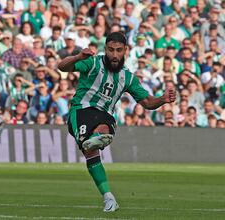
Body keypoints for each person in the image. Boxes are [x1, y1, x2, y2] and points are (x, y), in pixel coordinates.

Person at [58, 32, 176, 212]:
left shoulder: (128, 77)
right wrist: (78, 56)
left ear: (125, 51)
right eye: (111, 50)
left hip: (105, 114)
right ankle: (107, 193)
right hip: (81, 110)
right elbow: (62, 67)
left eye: (119, 50)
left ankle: (99, 142)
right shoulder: (92, 63)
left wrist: (162, 99)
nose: (114, 55)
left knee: (100, 134)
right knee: (91, 150)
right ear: (105, 49)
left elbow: (146, 102)